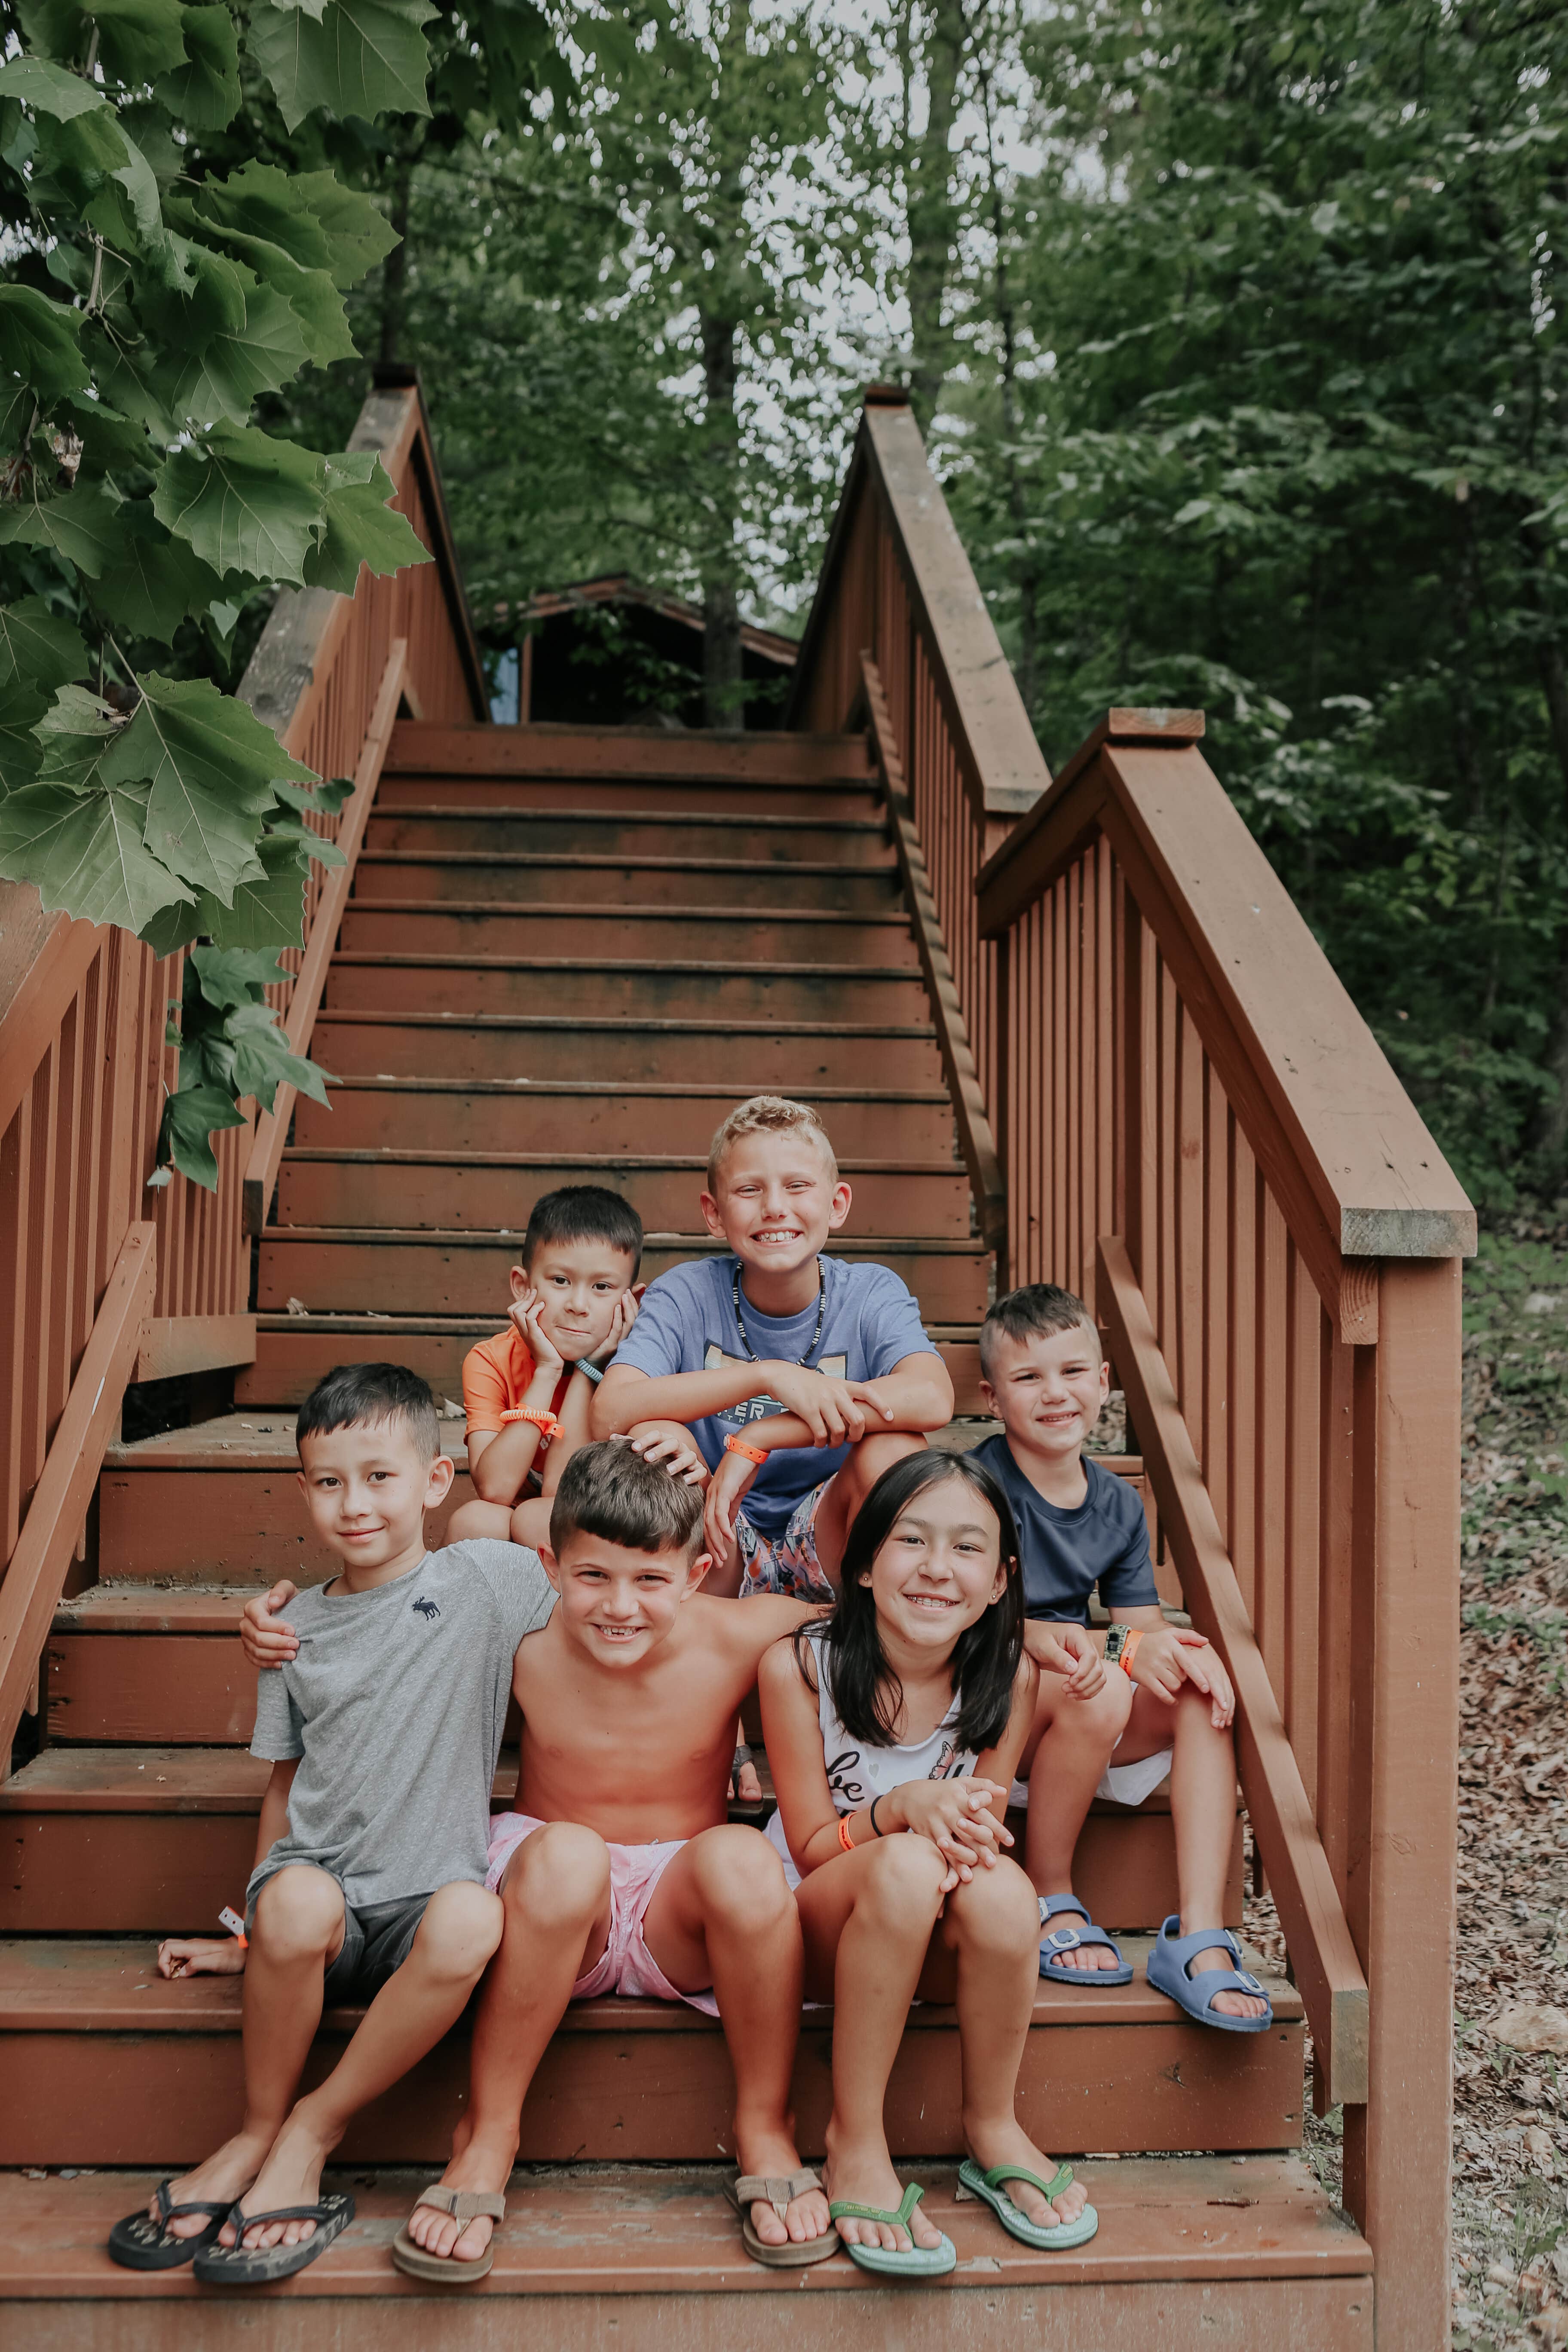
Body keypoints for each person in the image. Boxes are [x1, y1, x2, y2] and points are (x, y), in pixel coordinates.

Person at [108, 1364, 556, 2287]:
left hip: (425, 1908)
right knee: (298, 1899)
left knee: (476, 1915)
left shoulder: (486, 1578)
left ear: (436, 1482)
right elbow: (286, 1786)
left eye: (381, 1476)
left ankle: (315, 2128)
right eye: (328, 1481)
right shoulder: (290, 1628)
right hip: (325, 1898)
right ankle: (258, 2132)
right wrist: (252, 1929)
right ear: (304, 1490)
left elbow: (607, 1596)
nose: (355, 1504)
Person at [385, 1440, 836, 2282]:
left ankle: (767, 2128)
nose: (620, 1606)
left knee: (743, 1860)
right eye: (593, 1576)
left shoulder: (742, 1633)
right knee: (567, 1857)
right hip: (557, 1905)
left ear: (698, 1574)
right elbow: (382, 1624)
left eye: (650, 1581)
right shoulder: (516, 1637)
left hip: (681, 1907)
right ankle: (487, 2135)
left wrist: (1074, 1647)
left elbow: (910, 1623)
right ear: (551, 1565)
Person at [759, 1448, 1101, 2279]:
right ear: (866, 1562)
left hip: (928, 1925)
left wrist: (941, 1834)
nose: (936, 1569)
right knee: (911, 1863)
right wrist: (899, 1809)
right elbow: (808, 1850)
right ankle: (856, 2134)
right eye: (910, 1540)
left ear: (998, 1582)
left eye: (966, 1547)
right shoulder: (798, 1666)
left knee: (1006, 1894)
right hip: (815, 1915)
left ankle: (990, 2125)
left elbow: (977, 1833)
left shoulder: (1006, 1676)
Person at [972, 1284, 1273, 2030]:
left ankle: (1198, 1935)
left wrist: (1165, 1653)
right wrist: (1110, 1647)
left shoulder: (1116, 1503)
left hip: (1081, 1697)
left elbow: (1142, 1634)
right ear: (990, 1397)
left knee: (1199, 1686)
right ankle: (1048, 1890)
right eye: (1027, 1377)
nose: (1055, 1394)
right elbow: (974, 1622)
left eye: (1073, 1372)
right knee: (1099, 1678)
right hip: (995, 1703)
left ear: (1104, 1382)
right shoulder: (972, 1484)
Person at [591, 1095, 954, 1602]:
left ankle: (866, 1632)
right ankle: (705, 1624)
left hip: (834, 1535)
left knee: (896, 1450)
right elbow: (609, 1410)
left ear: (837, 1204)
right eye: (749, 1189)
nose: (775, 1207)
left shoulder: (871, 1292)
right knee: (654, 1435)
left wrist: (762, 1436)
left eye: (798, 1186)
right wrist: (768, 1376)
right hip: (720, 1530)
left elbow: (933, 1397)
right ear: (714, 1214)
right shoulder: (687, 1292)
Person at [447, 1185, 652, 1555]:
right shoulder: (491, 1360)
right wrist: (547, 1370)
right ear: (522, 1287)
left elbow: (561, 1491)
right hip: (520, 1517)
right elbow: (494, 1489)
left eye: (602, 1287)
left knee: (536, 1517)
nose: (578, 1304)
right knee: (476, 1520)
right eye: (561, 1281)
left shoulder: (635, 1365)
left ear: (631, 1301)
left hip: (602, 1523)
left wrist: (588, 1371)